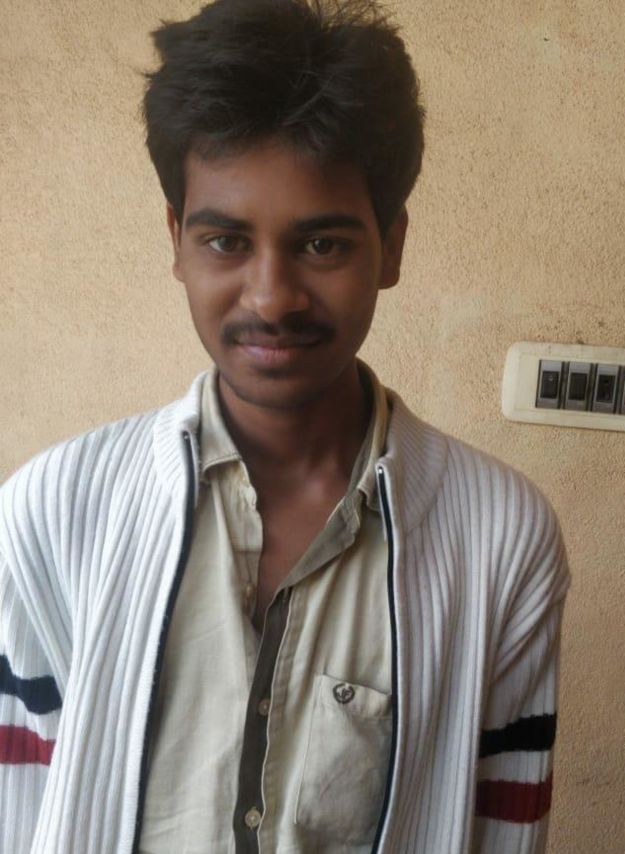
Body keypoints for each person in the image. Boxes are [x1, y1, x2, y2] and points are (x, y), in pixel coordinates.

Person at [0, 1, 570, 852]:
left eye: (322, 245)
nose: (271, 298)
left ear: (392, 246)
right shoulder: (55, 510)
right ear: (177, 240)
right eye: (226, 241)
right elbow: (19, 801)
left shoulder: (501, 538)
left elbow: (502, 824)